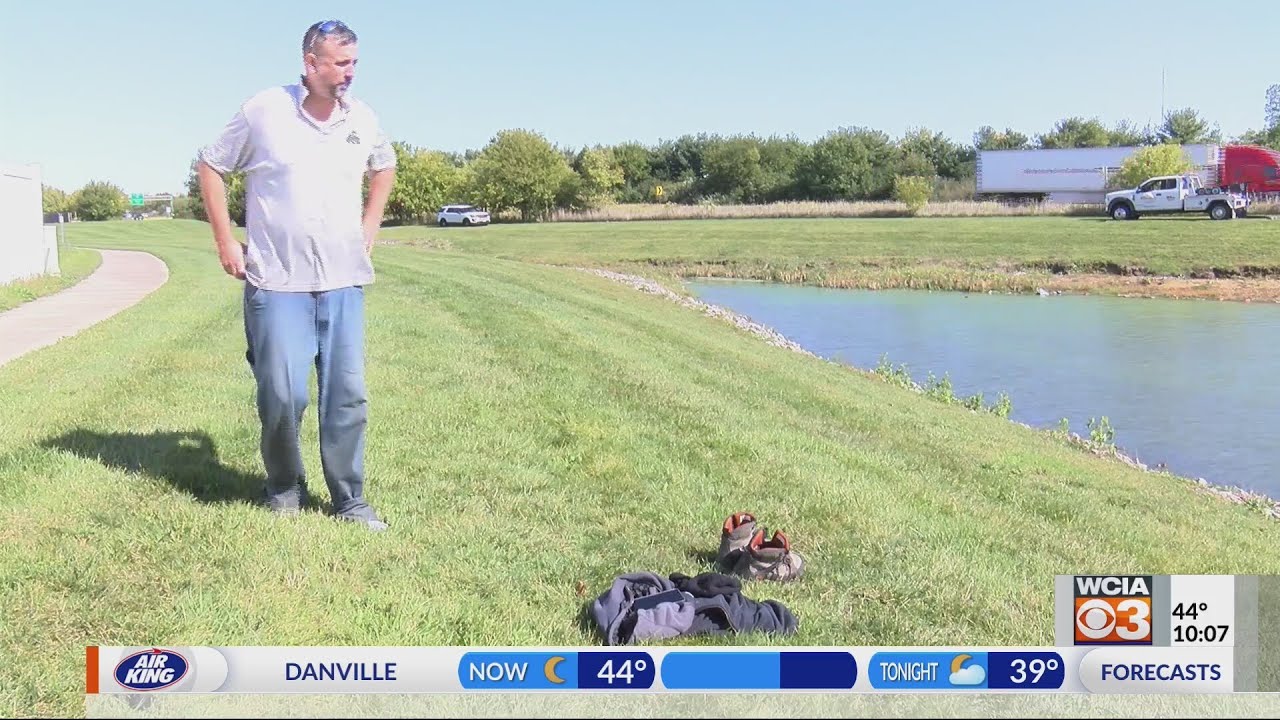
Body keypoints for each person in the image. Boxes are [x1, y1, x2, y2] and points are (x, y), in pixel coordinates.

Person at [196, 19, 397, 531]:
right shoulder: (264, 111)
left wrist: (369, 225)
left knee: (346, 394)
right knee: (283, 393)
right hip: (276, 280)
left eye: (355, 62)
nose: (351, 73)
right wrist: (225, 240)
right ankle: (284, 487)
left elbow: (384, 166)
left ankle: (350, 499)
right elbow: (211, 165)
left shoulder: (363, 118)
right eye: (341, 62)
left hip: (342, 279)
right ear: (311, 63)